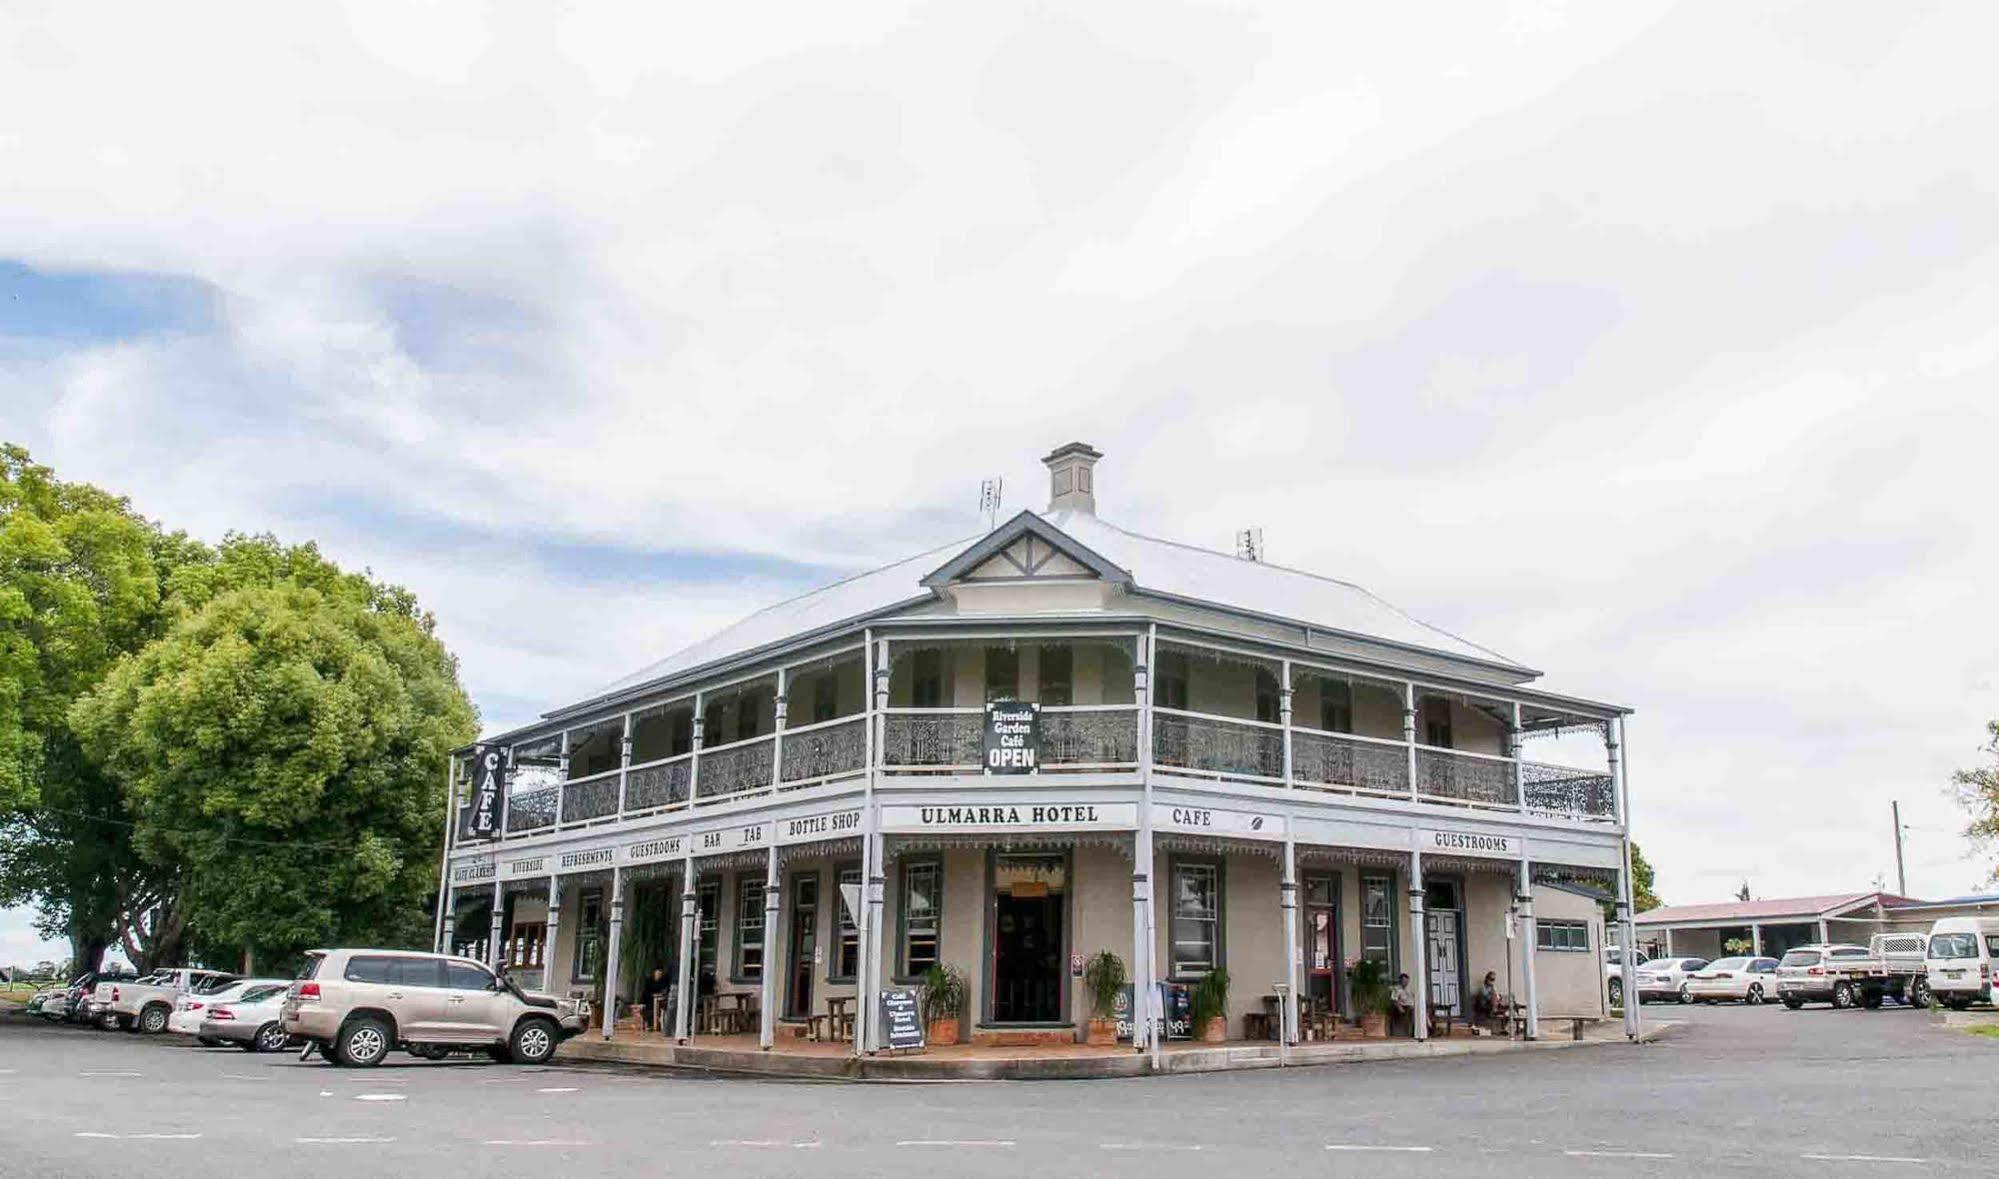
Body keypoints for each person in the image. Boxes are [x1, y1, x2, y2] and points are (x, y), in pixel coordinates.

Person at [642, 967, 673, 1031]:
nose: (658, 975)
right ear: (654, 973)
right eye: (657, 974)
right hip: (649, 1000)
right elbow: (645, 992)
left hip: (661, 1000)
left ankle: (657, 1025)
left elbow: (665, 990)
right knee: (648, 1009)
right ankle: (650, 1025)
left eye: (660, 974)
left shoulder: (664, 981)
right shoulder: (649, 981)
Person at [1388, 972, 1416, 1037]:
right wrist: (1399, 1008)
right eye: (1404, 981)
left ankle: (1411, 1034)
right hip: (1402, 1007)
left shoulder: (1409, 989)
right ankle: (1401, 1034)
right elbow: (1394, 999)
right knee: (1403, 1020)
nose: (1406, 983)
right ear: (1401, 981)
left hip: (1410, 1006)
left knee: (1412, 1020)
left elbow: (1413, 997)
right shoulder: (1397, 989)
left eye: (1407, 981)